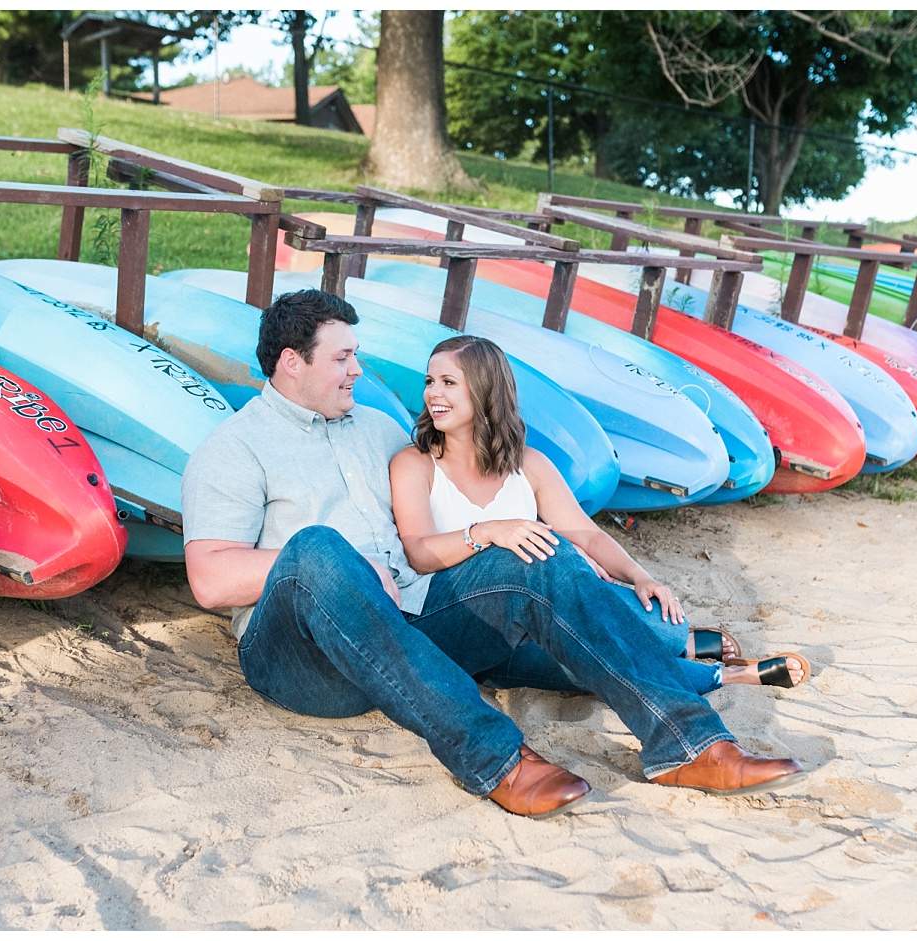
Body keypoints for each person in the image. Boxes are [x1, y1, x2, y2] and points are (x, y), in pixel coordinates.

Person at [182, 289, 809, 821]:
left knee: (540, 548)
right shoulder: (234, 448)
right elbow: (210, 580)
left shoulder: (375, 428)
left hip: (408, 623)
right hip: (300, 661)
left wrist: (502, 526)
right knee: (319, 548)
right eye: (343, 357)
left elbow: (444, 500)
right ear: (292, 363)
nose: (356, 369)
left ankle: (688, 745)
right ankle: (496, 760)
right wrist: (341, 569)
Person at [389, 335, 811, 695]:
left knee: (654, 620)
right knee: (585, 659)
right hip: (474, 622)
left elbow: (587, 536)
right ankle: (726, 676)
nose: (432, 394)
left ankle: (675, 644)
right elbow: (420, 555)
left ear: (484, 392)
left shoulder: (529, 464)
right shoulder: (416, 464)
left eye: (448, 383)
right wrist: (490, 531)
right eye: (430, 381)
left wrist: (642, 577)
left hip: (553, 605)